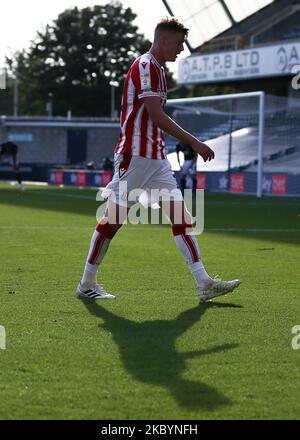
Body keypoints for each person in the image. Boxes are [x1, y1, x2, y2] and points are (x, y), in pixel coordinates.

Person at [76, 18, 241, 303]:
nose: (181, 50)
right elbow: (155, 115)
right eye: (179, 43)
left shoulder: (160, 71)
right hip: (135, 156)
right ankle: (86, 283)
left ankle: (204, 283)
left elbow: (155, 118)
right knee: (113, 220)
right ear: (163, 40)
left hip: (156, 158)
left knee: (181, 217)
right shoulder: (145, 66)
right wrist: (195, 142)